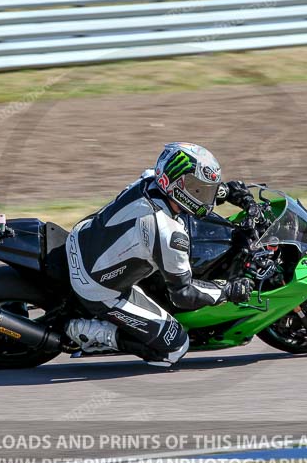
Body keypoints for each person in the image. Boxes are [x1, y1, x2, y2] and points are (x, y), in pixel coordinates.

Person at [65, 142, 256, 367]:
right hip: (96, 286)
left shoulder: (149, 179)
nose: (204, 196)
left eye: (205, 189)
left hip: (81, 237)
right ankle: (95, 334)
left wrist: (227, 191)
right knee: (175, 346)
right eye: (198, 189)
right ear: (174, 184)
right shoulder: (168, 233)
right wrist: (227, 290)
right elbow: (183, 294)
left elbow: (196, 191)